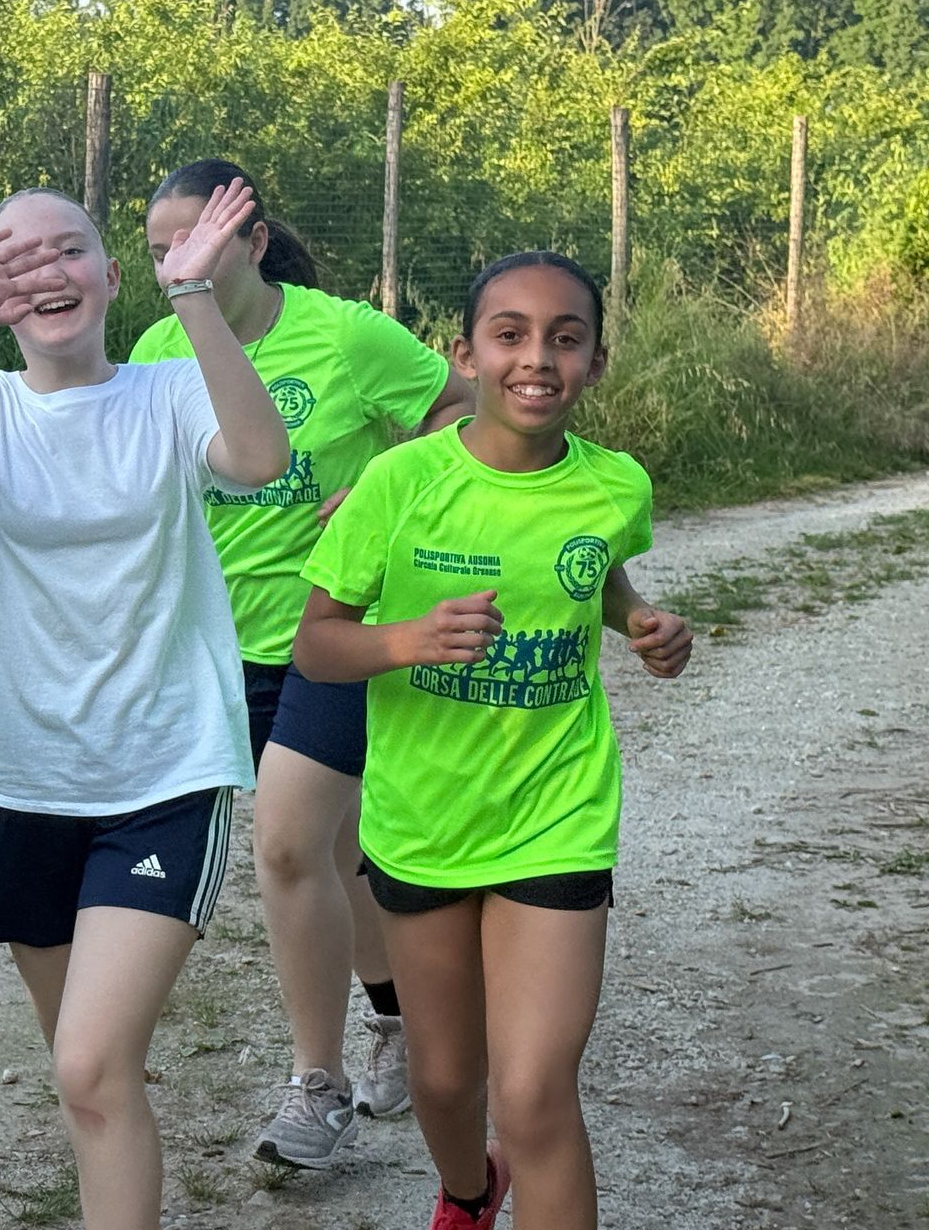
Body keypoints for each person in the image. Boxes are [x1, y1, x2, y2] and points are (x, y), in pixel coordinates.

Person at [0, 182, 288, 1229]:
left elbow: (258, 458)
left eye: (70, 251)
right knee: (87, 1074)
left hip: (167, 773)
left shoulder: (169, 393)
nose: (47, 272)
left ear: (113, 276)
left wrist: (195, 298)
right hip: (24, 779)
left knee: (89, 1064)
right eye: (17, 257)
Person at [293, 251, 692, 1229]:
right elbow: (317, 645)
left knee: (535, 1094)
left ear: (596, 362)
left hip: (558, 813)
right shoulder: (398, 482)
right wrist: (407, 639)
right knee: (443, 1082)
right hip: (424, 820)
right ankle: (470, 1192)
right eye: (510, 335)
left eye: (567, 338)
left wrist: (640, 622)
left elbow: (591, 574)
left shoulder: (615, 485)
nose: (538, 359)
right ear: (465, 354)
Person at [130, 158, 471, 1166]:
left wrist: (385, 487)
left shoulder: (345, 334)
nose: (177, 262)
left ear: (253, 240)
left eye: (195, 241)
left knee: (285, 846)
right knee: (338, 854)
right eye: (159, 251)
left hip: (333, 637)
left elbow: (459, 409)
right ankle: (399, 1019)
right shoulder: (157, 348)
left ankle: (314, 1090)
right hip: (212, 645)